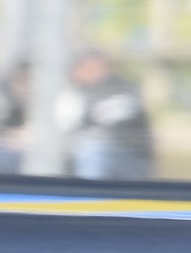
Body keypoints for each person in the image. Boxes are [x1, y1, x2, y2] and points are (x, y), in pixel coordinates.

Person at [57, 49, 153, 180]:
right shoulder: (76, 92)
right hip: (87, 156)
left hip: (129, 158)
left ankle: (88, 195)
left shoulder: (121, 90)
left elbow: (109, 131)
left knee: (93, 149)